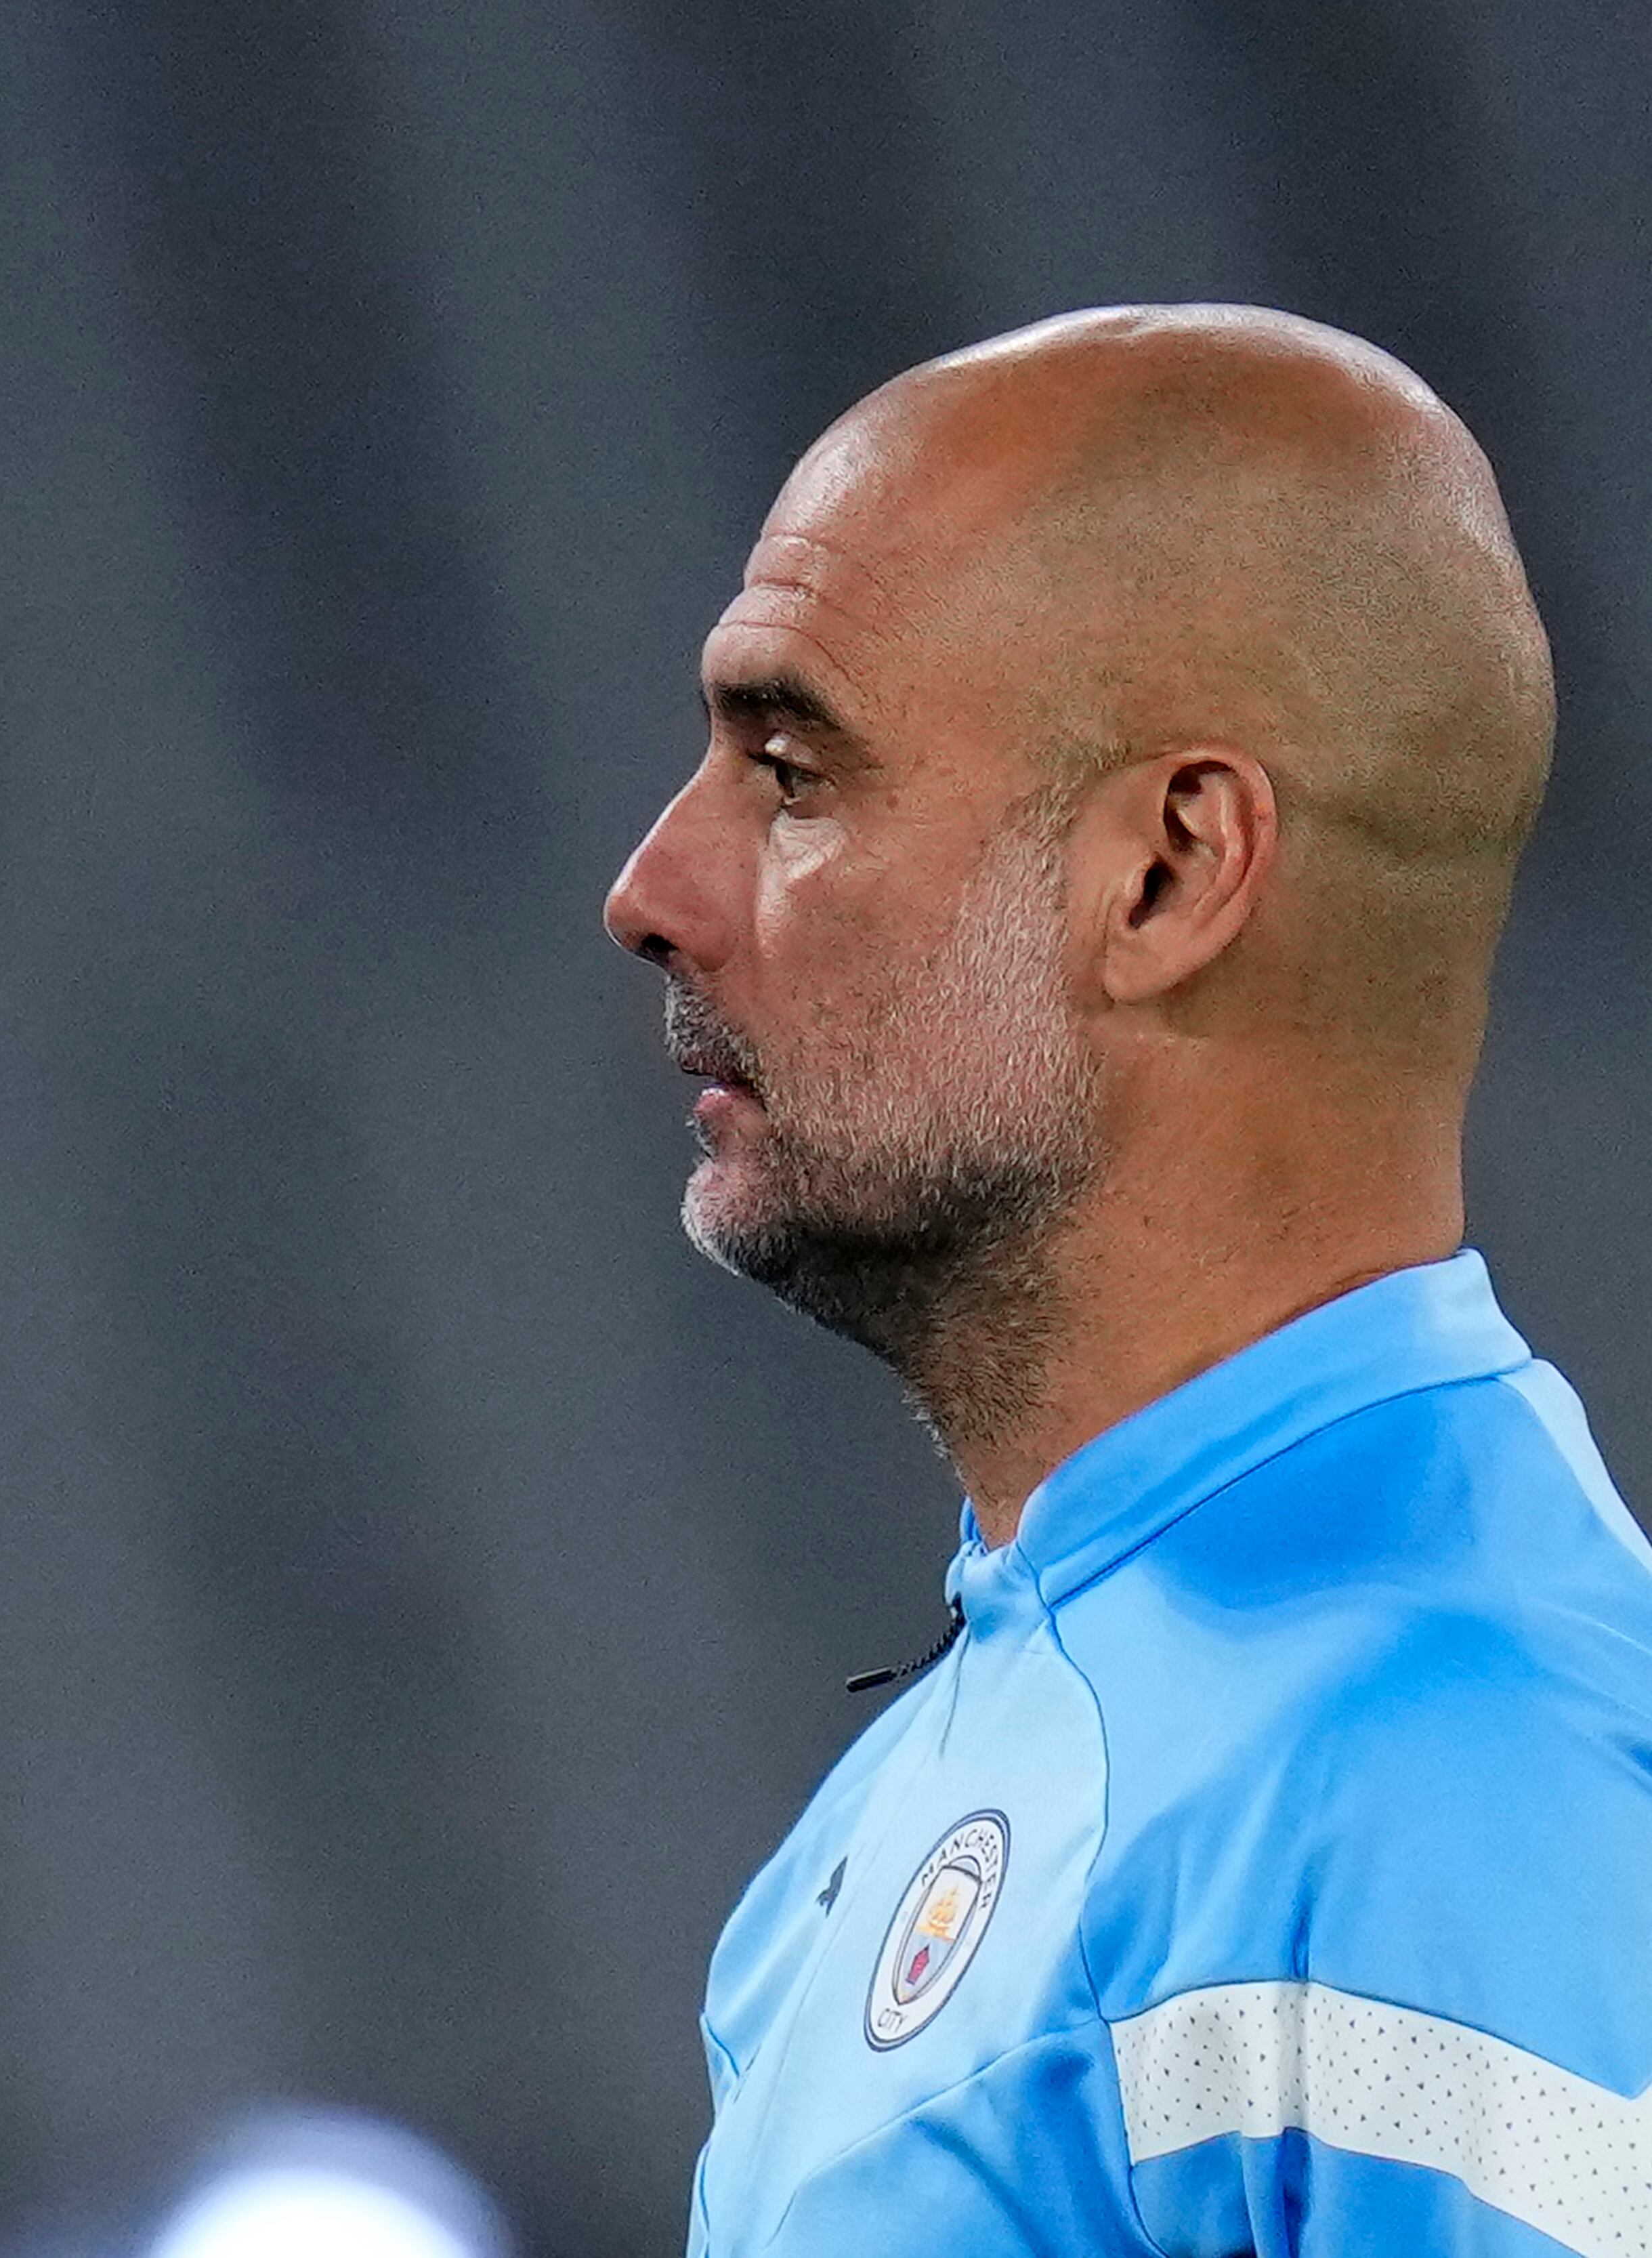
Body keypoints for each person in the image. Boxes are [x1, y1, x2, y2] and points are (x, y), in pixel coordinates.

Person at [602, 304, 1652, 2255]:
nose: (652, 889)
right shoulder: (939, 1789)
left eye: (794, 771)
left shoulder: (1456, 1779)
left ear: (1168, 870)